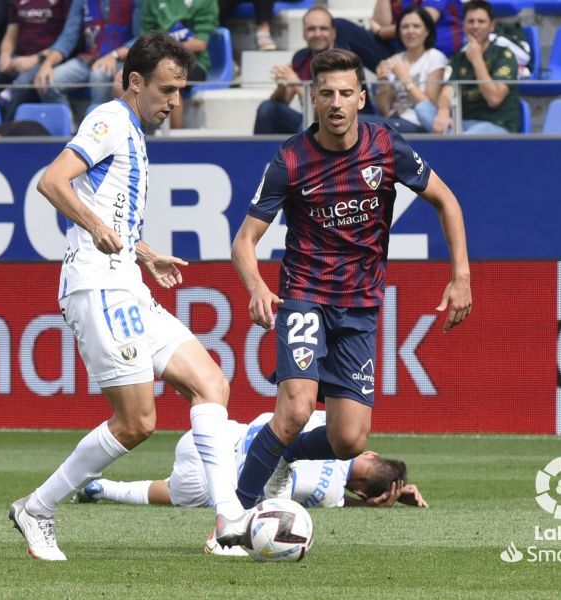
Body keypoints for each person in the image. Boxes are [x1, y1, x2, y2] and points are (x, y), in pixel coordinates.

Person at [8, 31, 247, 561]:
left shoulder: (132, 130)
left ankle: (229, 519)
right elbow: (53, 181)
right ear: (135, 82)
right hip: (98, 287)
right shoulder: (110, 120)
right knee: (137, 424)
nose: (175, 102)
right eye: (167, 89)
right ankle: (37, 508)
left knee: (211, 383)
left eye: (180, 91)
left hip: (127, 283)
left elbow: (108, 211)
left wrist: (143, 252)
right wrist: (95, 227)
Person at [231, 48, 471, 512]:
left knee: (348, 440)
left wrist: (461, 276)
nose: (336, 103)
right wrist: (257, 286)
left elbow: (447, 201)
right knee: (296, 409)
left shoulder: (386, 146)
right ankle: (232, 519)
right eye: (326, 93)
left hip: (359, 306)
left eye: (345, 93)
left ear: (362, 97)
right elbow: (244, 241)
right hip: (305, 295)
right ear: (313, 99)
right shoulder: (290, 159)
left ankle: (283, 458)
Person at [77, 410, 428, 512]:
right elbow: (341, 500)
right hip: (212, 482)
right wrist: (370, 505)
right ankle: (101, 488)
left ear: (370, 453)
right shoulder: (330, 495)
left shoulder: (328, 423)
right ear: (363, 492)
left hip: (211, 437)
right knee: (168, 492)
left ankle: (93, 479)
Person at [0, 0, 82, 120]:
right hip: (19, 58)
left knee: (21, 85)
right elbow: (11, 34)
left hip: (48, 59)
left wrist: (36, 59)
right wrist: (5, 55)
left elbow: (67, 39)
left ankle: (6, 124)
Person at [416, 0, 520, 134]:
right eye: (471, 21)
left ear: (492, 26)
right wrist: (443, 112)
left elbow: (494, 99)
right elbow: (447, 92)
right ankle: (454, 140)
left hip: (495, 124)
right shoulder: (458, 58)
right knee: (423, 108)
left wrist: (477, 61)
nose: (475, 26)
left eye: (481, 21)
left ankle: (453, 141)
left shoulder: (504, 55)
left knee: (469, 136)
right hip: (462, 123)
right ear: (463, 25)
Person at [36, 0, 142, 110]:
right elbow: (68, 36)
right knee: (47, 82)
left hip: (120, 60)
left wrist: (114, 55)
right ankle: (69, 121)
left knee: (99, 75)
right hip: (88, 59)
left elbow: (140, 38)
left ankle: (101, 119)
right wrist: (47, 64)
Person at [252, 6, 335, 135]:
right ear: (304, 33)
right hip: (312, 121)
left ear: (333, 32)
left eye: (323, 28)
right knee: (266, 110)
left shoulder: (343, 60)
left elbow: (328, 113)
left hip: (345, 123)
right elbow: (283, 100)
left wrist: (297, 84)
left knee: (307, 127)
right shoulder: (301, 56)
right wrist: (282, 86)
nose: (317, 34)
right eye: (311, 29)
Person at [140, 0, 218, 128]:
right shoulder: (151, 2)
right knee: (124, 79)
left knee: (169, 83)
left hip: (193, 62)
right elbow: (146, 40)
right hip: (157, 60)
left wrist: (163, 51)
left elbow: (200, 43)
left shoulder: (205, 2)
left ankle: (174, 136)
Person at [373, 6, 447, 134]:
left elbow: (430, 108)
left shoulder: (435, 57)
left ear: (427, 31)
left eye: (416, 26)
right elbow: (384, 111)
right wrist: (382, 83)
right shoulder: (394, 60)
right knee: (358, 122)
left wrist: (404, 78)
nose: (410, 31)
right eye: (405, 27)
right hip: (394, 120)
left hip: (419, 122)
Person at [337, 0, 464, 73]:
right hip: (399, 54)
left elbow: (424, 21)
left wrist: (380, 32)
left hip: (433, 57)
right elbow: (383, 24)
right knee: (340, 26)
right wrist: (381, 31)